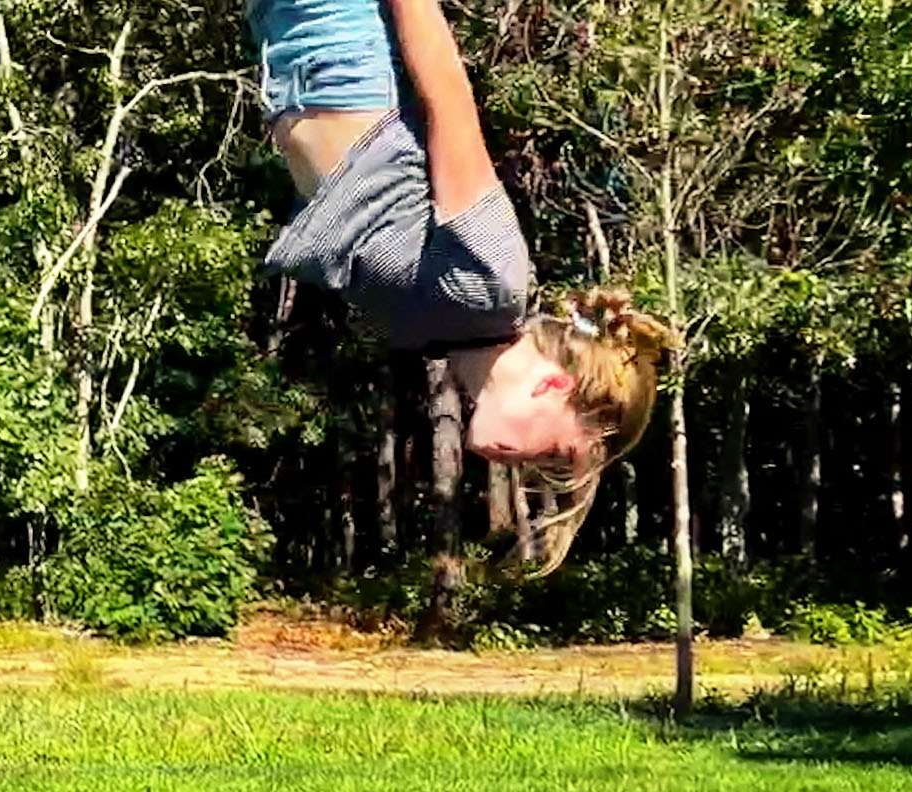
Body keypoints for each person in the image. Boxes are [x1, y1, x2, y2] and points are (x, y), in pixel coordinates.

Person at [246, 0, 669, 571]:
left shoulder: (434, 330)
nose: (526, 465)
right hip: (335, 31)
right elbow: (448, 92)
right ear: (553, 384)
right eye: (553, 451)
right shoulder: (493, 283)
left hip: (285, 40)